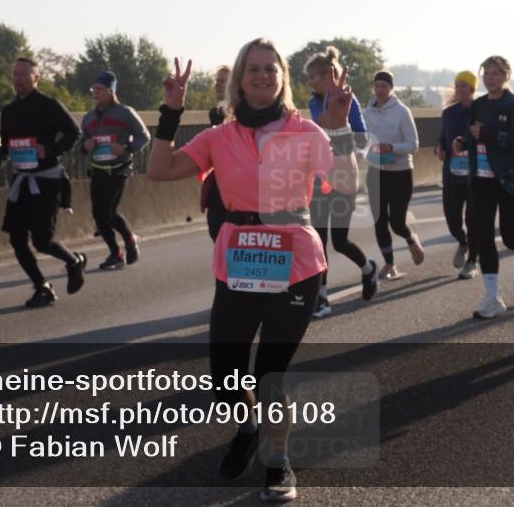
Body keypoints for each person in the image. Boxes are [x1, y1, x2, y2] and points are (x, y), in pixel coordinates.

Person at [146, 38, 359, 503]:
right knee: (226, 376)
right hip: (239, 261)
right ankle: (248, 426)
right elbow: (160, 171)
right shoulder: (220, 136)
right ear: (240, 80)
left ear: (282, 78)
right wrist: (170, 112)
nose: (262, 75)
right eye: (253, 69)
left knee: (270, 374)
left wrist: (340, 129)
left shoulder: (306, 131)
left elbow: (345, 185)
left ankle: (277, 463)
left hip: (296, 263)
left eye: (270, 68)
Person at [0, 57, 87, 308]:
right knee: (17, 240)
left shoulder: (49, 105)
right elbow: (7, 142)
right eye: (15, 74)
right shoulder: (9, 111)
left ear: (36, 78)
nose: (18, 78)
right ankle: (42, 286)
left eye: (23, 74)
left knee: (42, 241)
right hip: (21, 182)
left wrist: (51, 150)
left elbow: (74, 133)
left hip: (47, 181)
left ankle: (73, 261)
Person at [452, 56, 514, 319]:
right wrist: (463, 142)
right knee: (483, 236)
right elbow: (475, 134)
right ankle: (493, 297)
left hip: (510, 179)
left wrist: (493, 135)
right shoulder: (478, 105)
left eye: (495, 73)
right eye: (486, 73)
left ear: (506, 76)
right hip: (481, 180)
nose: (490, 78)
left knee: (511, 236)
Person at [305, 47, 377, 318]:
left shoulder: (350, 100)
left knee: (340, 241)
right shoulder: (315, 101)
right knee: (318, 240)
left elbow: (360, 136)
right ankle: (321, 299)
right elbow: (320, 126)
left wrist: (351, 145)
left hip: (344, 176)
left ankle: (368, 268)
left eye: (313, 76)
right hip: (321, 177)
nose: (310, 82)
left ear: (328, 74)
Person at [79, 71, 150, 270]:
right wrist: (86, 146)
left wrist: (125, 149)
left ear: (110, 91)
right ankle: (115, 253)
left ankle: (130, 240)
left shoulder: (125, 112)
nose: (95, 93)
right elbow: (80, 145)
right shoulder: (89, 118)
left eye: (99, 89)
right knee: (98, 214)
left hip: (119, 168)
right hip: (98, 170)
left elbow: (143, 137)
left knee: (109, 211)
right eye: (93, 89)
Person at [363, 70, 424, 280]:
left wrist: (392, 147)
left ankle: (410, 238)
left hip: (400, 172)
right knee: (379, 220)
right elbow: (362, 141)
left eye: (384, 86)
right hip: (376, 172)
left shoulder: (401, 111)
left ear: (391, 88)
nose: (380, 90)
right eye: (377, 85)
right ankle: (390, 264)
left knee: (397, 221)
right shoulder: (366, 112)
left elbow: (413, 144)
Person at [435, 71, 479, 279]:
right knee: (452, 219)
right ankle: (463, 243)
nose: (460, 89)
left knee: (473, 219)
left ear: (472, 88)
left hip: (475, 174)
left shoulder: (480, 111)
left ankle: (472, 262)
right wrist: (440, 148)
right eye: (457, 85)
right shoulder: (449, 113)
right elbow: (442, 138)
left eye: (464, 85)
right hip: (452, 173)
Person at [201, 66, 232, 242]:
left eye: (223, 81)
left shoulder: (245, 114)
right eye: (217, 81)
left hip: (238, 185)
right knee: (216, 230)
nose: (217, 85)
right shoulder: (215, 113)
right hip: (217, 181)